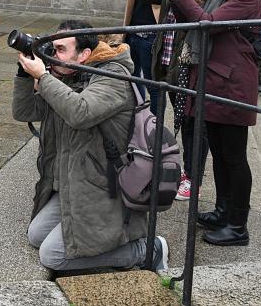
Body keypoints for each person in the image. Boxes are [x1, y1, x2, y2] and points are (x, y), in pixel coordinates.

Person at [14, 20, 168, 272]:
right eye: (51, 49)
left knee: (52, 256)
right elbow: (24, 111)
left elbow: (80, 112)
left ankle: (146, 250)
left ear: (84, 54)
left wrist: (42, 76)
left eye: (60, 50)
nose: (52, 56)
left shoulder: (113, 77)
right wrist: (24, 74)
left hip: (106, 186)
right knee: (36, 235)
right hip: (76, 181)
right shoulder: (69, 73)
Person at [163, 0, 261, 246]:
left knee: (234, 157)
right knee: (219, 154)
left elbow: (208, 25)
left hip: (232, 84)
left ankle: (238, 225)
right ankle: (222, 211)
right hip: (212, 81)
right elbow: (191, 21)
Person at [134, 0, 208, 202]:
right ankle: (175, 167)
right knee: (171, 118)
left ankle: (192, 177)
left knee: (191, 125)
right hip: (164, 62)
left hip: (187, 66)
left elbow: (195, 16)